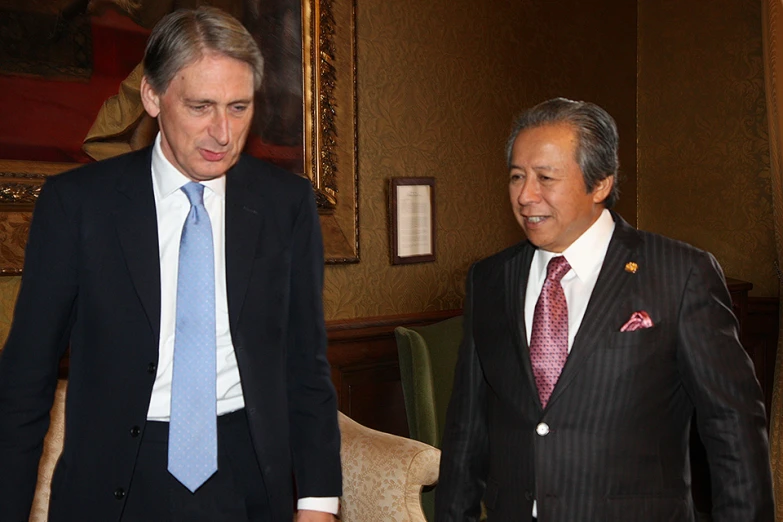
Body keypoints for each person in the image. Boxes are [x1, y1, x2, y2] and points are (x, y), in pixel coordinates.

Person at [0, 6, 341, 522]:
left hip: (246, 482)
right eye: (201, 106)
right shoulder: (78, 204)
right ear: (153, 96)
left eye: (239, 107)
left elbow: (305, 366)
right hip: (115, 485)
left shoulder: (284, 205)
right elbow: (26, 381)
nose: (223, 133)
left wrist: (318, 503)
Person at [435, 98, 774, 521]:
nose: (525, 195)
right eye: (517, 177)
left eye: (545, 177)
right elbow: (467, 428)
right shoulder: (489, 279)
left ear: (600, 185)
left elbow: (733, 429)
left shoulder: (681, 274)